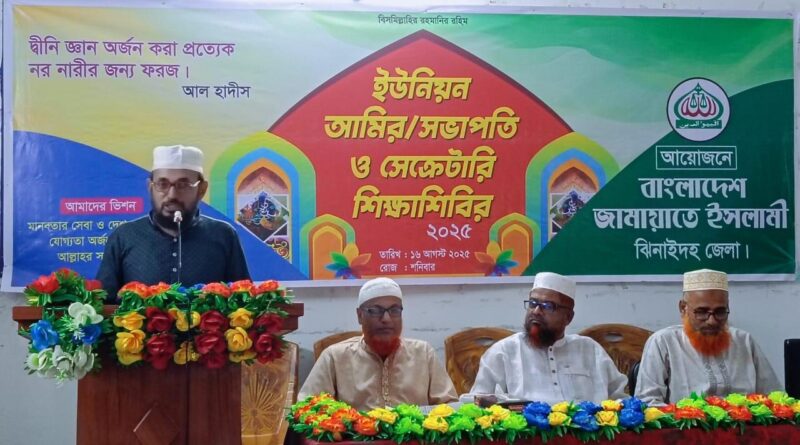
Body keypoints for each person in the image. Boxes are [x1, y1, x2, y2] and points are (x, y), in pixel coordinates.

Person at [97, 145, 250, 299]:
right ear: (150, 187)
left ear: (201, 190)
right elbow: (103, 302)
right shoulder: (124, 236)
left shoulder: (223, 235)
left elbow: (243, 299)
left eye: (182, 185)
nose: (172, 195)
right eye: (162, 184)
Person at [298, 277, 457, 410]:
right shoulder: (335, 357)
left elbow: (449, 407)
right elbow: (308, 409)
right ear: (360, 316)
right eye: (375, 311)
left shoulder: (423, 353)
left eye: (394, 310)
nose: (386, 319)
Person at [469, 272, 627, 404]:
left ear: (568, 317)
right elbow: (477, 405)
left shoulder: (590, 350)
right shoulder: (503, 352)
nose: (536, 311)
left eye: (548, 306)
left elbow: (621, 401)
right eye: (533, 303)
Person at [635, 269, 781, 405]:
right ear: (683, 308)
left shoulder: (744, 341)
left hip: (745, 423)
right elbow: (647, 402)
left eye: (720, 312)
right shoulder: (664, 342)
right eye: (702, 312)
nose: (712, 321)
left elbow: (775, 398)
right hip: (688, 423)